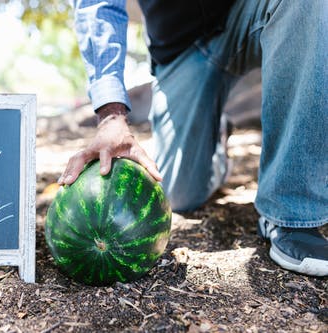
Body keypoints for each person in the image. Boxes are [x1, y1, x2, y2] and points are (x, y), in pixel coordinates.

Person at [57, 0, 328, 276]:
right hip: (180, 49)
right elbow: (99, 6)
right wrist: (111, 115)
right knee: (177, 195)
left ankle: (291, 214)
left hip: (247, 12)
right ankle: (216, 144)